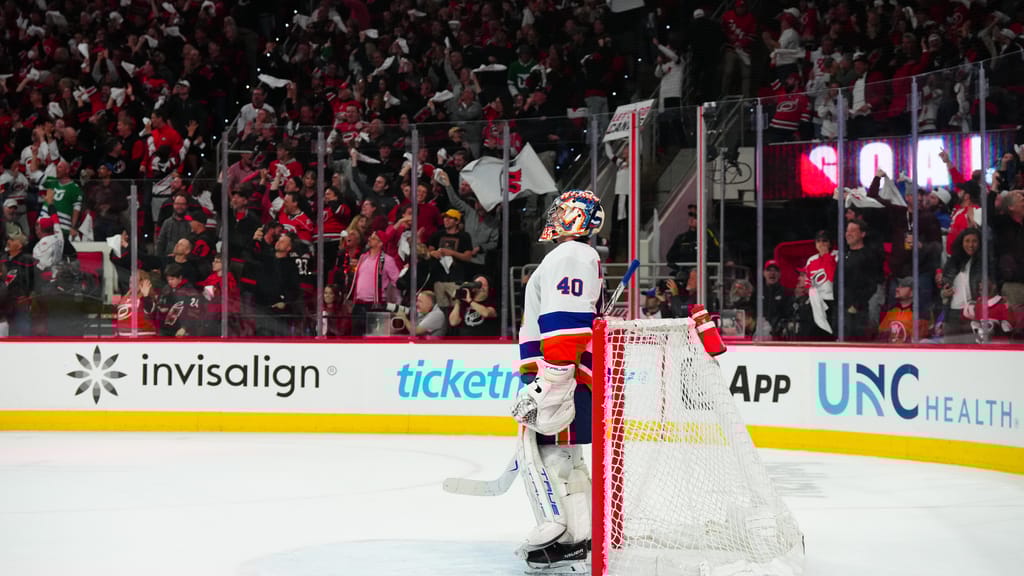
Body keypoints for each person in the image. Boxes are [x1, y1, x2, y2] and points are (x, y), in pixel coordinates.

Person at [511, 189, 605, 573]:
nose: (555, 216)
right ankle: (579, 538)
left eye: (562, 211)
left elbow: (566, 325)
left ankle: (569, 539)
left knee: (553, 458)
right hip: (567, 372)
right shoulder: (577, 255)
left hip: (563, 373)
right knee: (566, 457)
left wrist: (554, 380)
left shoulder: (569, 255)